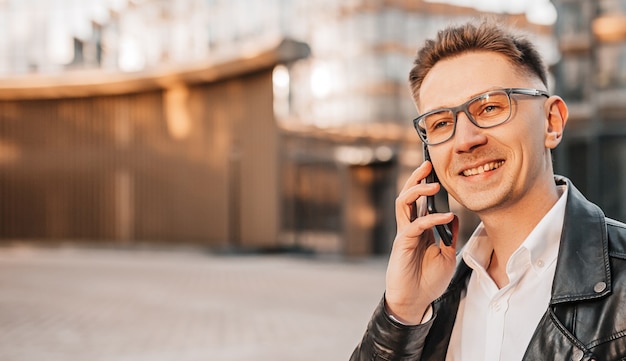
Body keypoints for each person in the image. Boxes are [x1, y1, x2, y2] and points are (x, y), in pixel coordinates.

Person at [350, 19, 626, 361]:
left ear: (552, 122)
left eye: (491, 107)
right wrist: (403, 312)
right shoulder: (431, 300)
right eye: (441, 123)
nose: (465, 140)